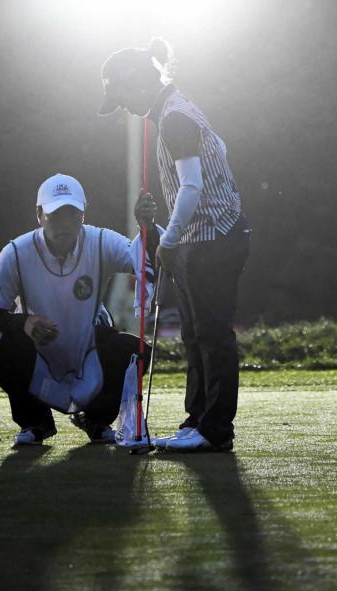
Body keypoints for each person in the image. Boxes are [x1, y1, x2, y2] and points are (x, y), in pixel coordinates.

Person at [98, 39, 250, 453]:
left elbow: (194, 187)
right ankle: (196, 421)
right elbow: (214, 161)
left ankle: (214, 429)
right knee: (194, 335)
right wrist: (158, 223)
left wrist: (168, 238)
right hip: (202, 240)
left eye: (122, 95)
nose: (125, 107)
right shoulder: (172, 109)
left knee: (212, 335)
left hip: (214, 242)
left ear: (137, 82)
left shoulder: (175, 118)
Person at [0, 173, 155, 446]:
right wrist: (24, 322)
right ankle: (35, 422)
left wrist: (148, 228)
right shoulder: (15, 253)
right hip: (37, 354)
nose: (65, 223)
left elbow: (143, 262)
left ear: (82, 216)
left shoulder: (100, 241)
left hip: (90, 350)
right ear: (39, 215)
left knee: (136, 353)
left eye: (73, 215)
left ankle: (97, 419)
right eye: (56, 214)